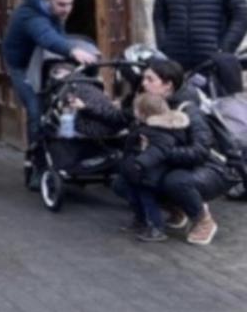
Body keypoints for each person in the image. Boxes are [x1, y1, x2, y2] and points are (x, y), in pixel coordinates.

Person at [71, 58, 229, 245]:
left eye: (150, 79)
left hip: (206, 170)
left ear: (167, 85)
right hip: (164, 164)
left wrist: (159, 153)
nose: (143, 83)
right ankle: (176, 210)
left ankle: (203, 220)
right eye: (144, 78)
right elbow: (117, 117)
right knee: (122, 183)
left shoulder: (188, 110)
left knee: (174, 181)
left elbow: (200, 151)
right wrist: (87, 107)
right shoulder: (147, 105)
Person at [0, 0, 99, 155]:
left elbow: (57, 36)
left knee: (59, 104)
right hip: (22, 66)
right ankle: (36, 161)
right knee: (35, 109)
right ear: (47, 0)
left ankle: (60, 152)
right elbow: (46, 37)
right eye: (61, 4)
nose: (67, 9)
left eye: (70, 4)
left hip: (41, 61)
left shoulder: (53, 10)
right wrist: (72, 50)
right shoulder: (31, 14)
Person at [119, 92, 194, 242]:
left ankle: (156, 228)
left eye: (135, 109)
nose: (133, 112)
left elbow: (158, 151)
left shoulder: (160, 131)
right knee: (135, 199)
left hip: (147, 174)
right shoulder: (145, 126)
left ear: (144, 113)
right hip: (137, 173)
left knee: (148, 201)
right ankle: (140, 221)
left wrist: (141, 162)